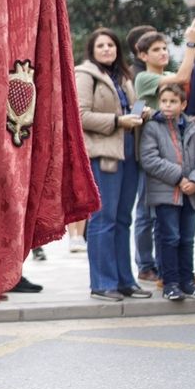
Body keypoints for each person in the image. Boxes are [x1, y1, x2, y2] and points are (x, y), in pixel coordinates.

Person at [75, 28, 151, 302]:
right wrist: (118, 121)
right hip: (103, 153)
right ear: (92, 50)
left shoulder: (123, 76)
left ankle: (125, 281)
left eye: (111, 45)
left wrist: (141, 112)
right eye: (101, 46)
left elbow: (131, 108)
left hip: (129, 151)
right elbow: (80, 115)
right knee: (103, 219)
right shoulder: (85, 75)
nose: (107, 49)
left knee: (122, 220)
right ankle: (102, 283)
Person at [132, 22, 195, 286]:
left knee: (169, 221)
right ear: (143, 55)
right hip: (152, 154)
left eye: (165, 48)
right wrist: (190, 44)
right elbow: (182, 78)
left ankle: (172, 270)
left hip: (174, 153)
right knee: (147, 213)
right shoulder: (144, 77)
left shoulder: (167, 76)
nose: (163, 53)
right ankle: (147, 266)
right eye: (156, 49)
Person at [138, 81, 195, 301]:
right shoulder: (152, 127)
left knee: (187, 239)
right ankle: (170, 283)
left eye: (173, 101)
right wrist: (179, 178)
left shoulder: (193, 128)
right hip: (166, 193)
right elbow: (149, 159)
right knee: (169, 238)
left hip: (191, 194)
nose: (167, 105)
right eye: (164, 101)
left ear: (183, 104)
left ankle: (187, 281)